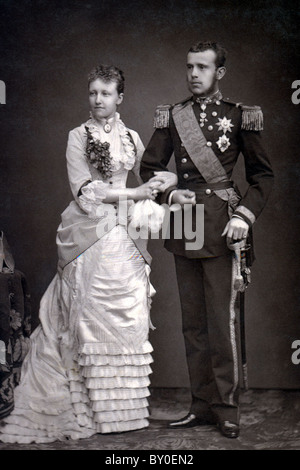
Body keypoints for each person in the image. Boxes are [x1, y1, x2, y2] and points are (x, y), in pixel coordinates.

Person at [0, 65, 176, 443]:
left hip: (127, 235)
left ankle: (122, 413)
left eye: (106, 93)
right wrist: (135, 195)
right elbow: (85, 191)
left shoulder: (130, 137)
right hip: (90, 231)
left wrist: (167, 181)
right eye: (93, 93)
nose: (98, 100)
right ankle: (89, 409)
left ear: (120, 98)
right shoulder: (77, 137)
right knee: (89, 317)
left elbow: (151, 174)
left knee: (127, 319)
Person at [140, 41, 274, 438]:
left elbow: (263, 177)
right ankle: (200, 405)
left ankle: (226, 406)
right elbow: (150, 167)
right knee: (192, 324)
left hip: (219, 222)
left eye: (202, 67)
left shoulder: (240, 116)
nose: (194, 74)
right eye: (189, 67)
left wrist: (245, 216)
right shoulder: (173, 116)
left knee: (220, 320)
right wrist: (168, 193)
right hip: (184, 220)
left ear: (220, 73)